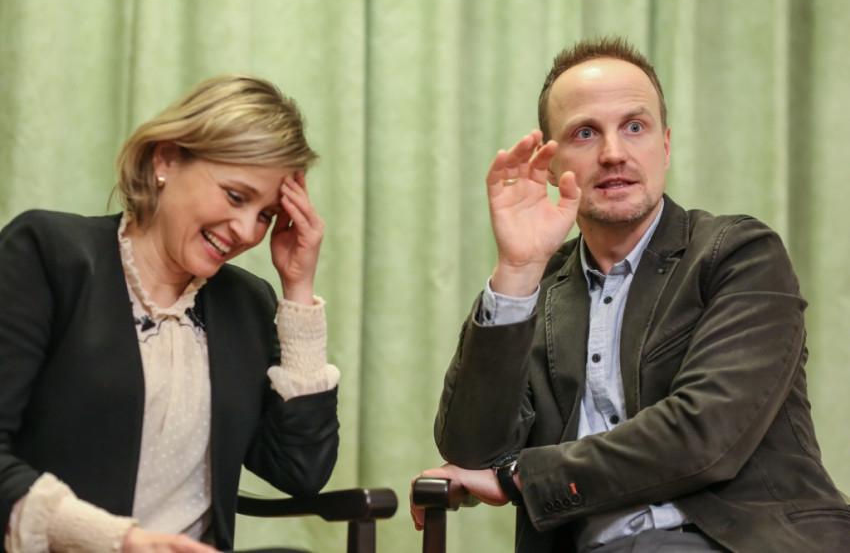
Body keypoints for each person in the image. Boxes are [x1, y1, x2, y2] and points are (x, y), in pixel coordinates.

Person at [411, 36, 850, 552]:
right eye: (585, 133)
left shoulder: (738, 254)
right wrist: (517, 269)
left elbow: (704, 435)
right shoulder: (538, 288)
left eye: (634, 127)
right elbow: (472, 451)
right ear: (551, 165)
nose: (613, 153)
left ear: (665, 146)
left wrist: (521, 478)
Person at [0, 75, 341, 553]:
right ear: (166, 160)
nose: (247, 231)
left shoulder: (247, 303)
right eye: (236, 196)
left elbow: (300, 471)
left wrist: (298, 289)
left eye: (266, 214)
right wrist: (119, 541)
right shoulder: (47, 253)